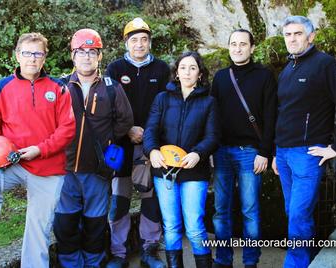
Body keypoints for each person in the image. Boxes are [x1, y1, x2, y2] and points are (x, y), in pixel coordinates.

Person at [0, 33, 76, 268]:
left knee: (39, 227)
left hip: (47, 167)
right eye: (27, 53)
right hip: (9, 162)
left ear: (44, 58)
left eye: (37, 53)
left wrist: (40, 149)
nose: (32, 58)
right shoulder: (3, 87)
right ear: (18, 55)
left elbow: (67, 129)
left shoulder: (58, 88)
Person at [273, 16, 336, 268]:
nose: (292, 39)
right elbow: (284, 112)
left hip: (307, 154)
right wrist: (277, 153)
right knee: (294, 214)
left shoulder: (326, 64)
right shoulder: (288, 69)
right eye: (287, 35)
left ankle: (295, 264)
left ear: (311, 36)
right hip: (284, 153)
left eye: (297, 34)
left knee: (299, 215)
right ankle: (306, 259)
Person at [53, 29, 133, 268]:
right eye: (81, 52)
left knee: (95, 223)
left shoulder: (112, 87)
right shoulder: (60, 87)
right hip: (65, 170)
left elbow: (125, 121)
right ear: (72, 55)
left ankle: (93, 263)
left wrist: (107, 140)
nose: (86, 57)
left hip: (98, 170)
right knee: (65, 223)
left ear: (99, 56)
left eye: (92, 52)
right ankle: (71, 264)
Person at [143, 51, 219, 268]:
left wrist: (198, 153)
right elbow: (150, 130)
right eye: (183, 67)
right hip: (165, 170)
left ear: (200, 74)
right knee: (171, 226)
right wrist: (152, 151)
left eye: (192, 68)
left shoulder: (209, 102)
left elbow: (213, 136)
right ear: (176, 72)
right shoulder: (163, 98)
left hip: (194, 171)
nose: (187, 72)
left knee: (194, 226)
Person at [105, 17, 170, 268]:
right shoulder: (115, 69)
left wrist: (149, 134)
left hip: (150, 147)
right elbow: (108, 106)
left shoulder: (162, 69)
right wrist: (127, 129)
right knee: (119, 199)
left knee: (149, 198)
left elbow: (166, 106)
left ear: (150, 42)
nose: (140, 44)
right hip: (120, 146)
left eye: (144, 39)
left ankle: (149, 250)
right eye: (134, 40)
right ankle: (118, 253)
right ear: (126, 43)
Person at [211, 29, 277, 268]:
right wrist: (210, 150)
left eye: (242, 44)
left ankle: (251, 262)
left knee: (250, 211)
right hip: (221, 152)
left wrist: (265, 151)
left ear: (252, 47)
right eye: (233, 44)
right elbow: (212, 117)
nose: (237, 48)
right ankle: (223, 259)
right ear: (228, 47)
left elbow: (271, 116)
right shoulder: (220, 77)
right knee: (221, 211)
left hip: (251, 152)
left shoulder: (265, 76)